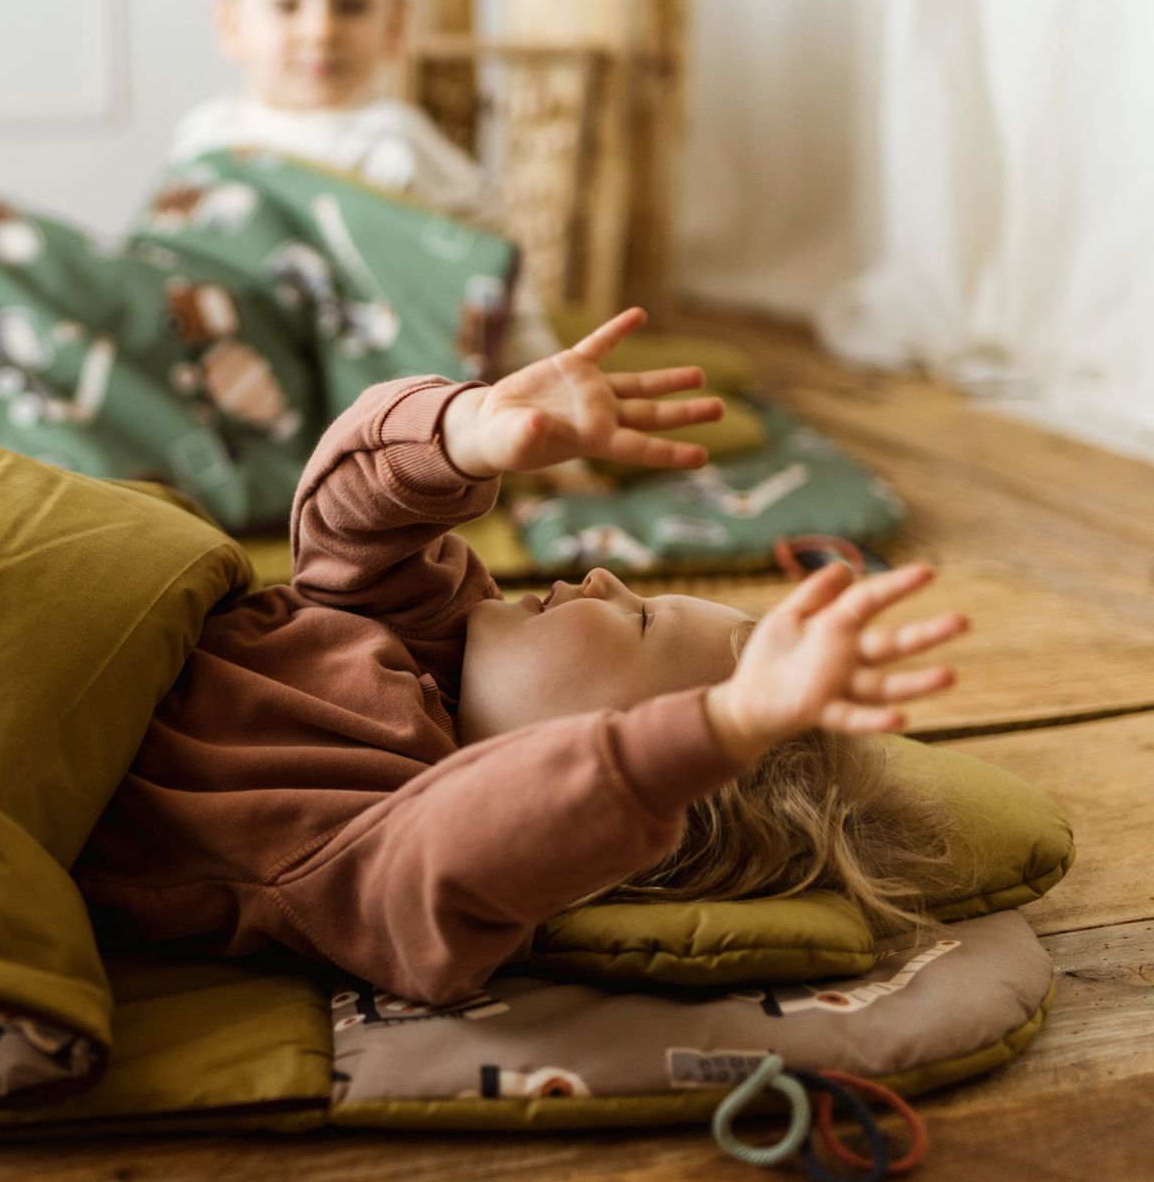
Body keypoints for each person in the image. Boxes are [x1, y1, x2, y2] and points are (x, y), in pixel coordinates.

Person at [72, 308, 971, 1006]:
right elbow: (340, 516)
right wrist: (469, 428)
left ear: (585, 799)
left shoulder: (387, 846)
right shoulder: (433, 628)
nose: (608, 575)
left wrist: (724, 728)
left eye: (643, 622)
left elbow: (470, 855)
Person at [171, 0, 563, 368]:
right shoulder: (205, 139)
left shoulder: (396, 143)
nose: (321, 29)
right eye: (286, 4)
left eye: (352, 5)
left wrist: (537, 368)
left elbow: (492, 264)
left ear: (394, 25)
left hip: (372, 385)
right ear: (230, 26)